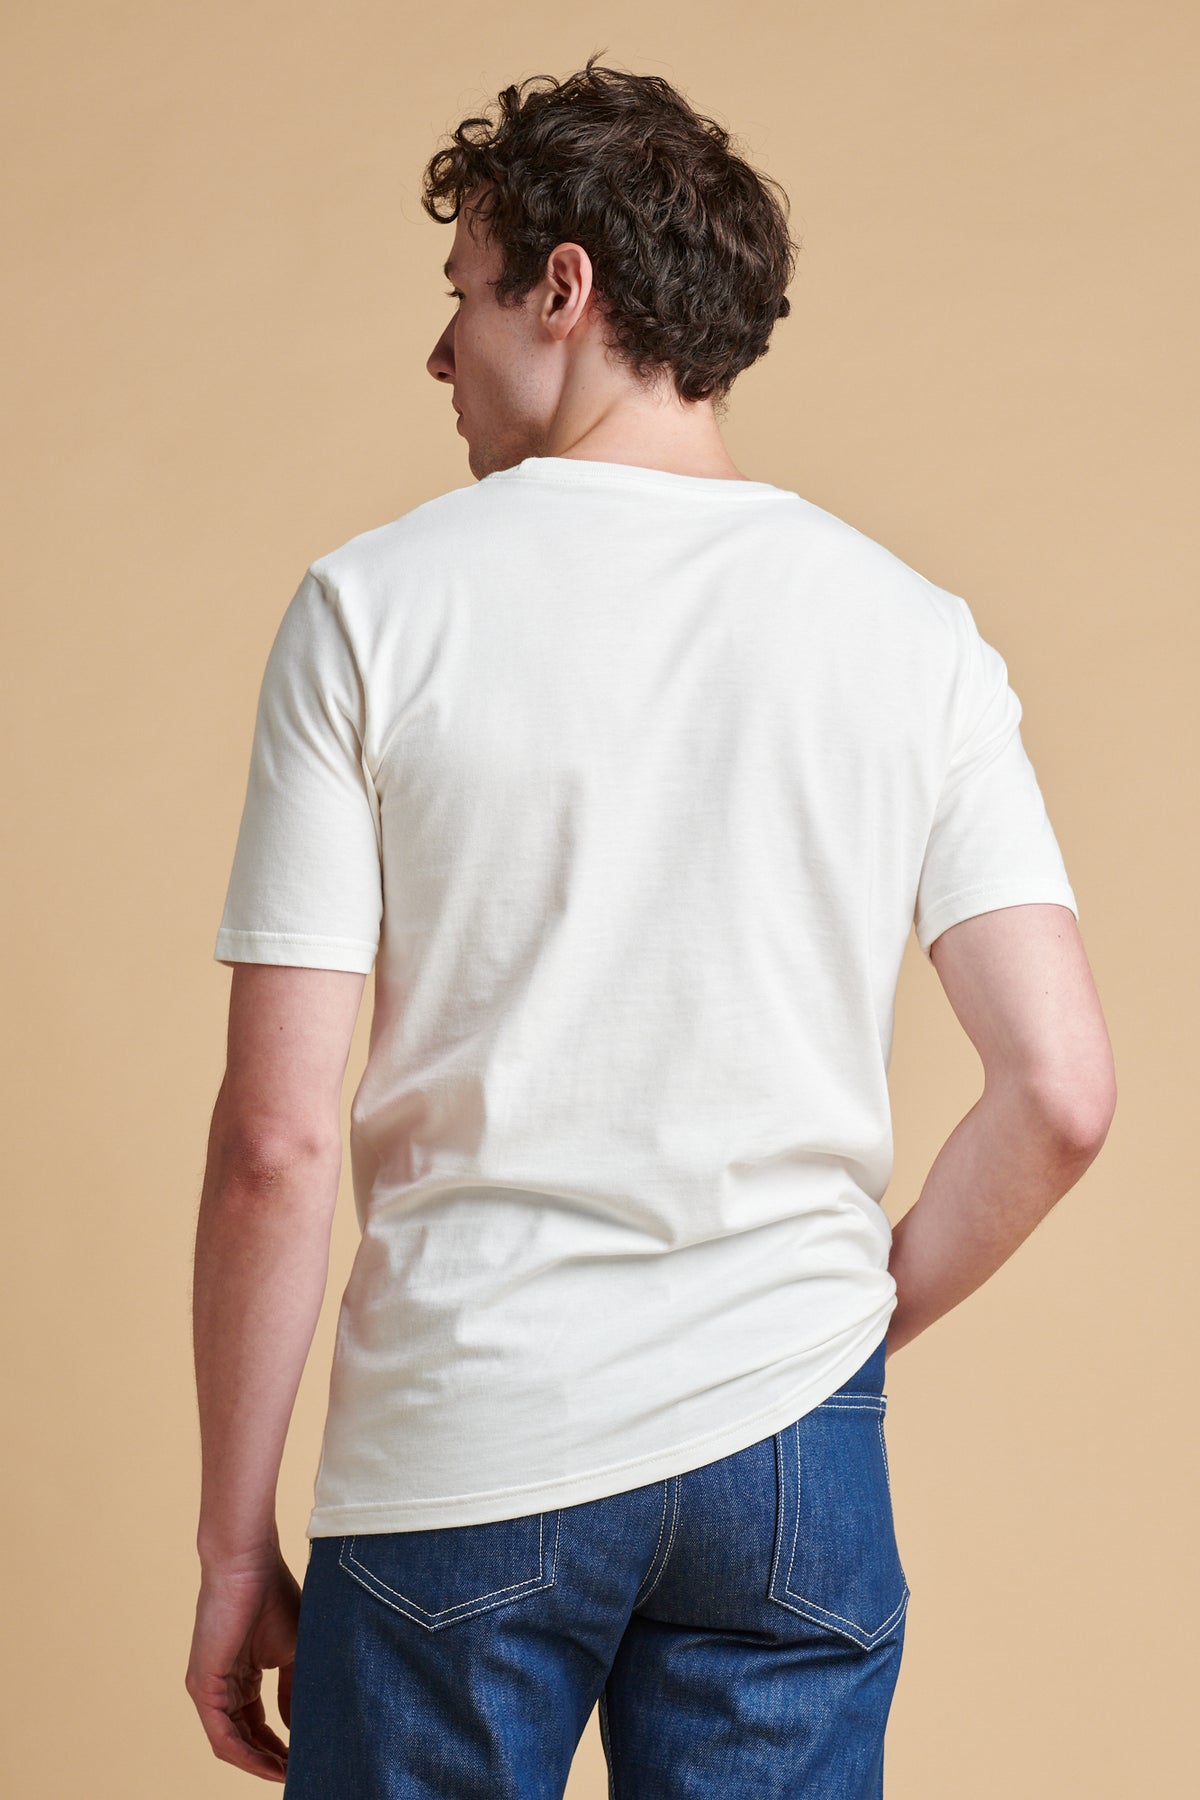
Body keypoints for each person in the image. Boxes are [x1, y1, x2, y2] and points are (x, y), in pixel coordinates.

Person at [185, 54, 1116, 1798]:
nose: (442, 352)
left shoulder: (374, 610)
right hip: (793, 1457)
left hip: (471, 1443)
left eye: (464, 297)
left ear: (565, 288)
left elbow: (276, 1140)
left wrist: (238, 1553)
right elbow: (1060, 1091)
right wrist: (830, 1332)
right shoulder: (913, 634)